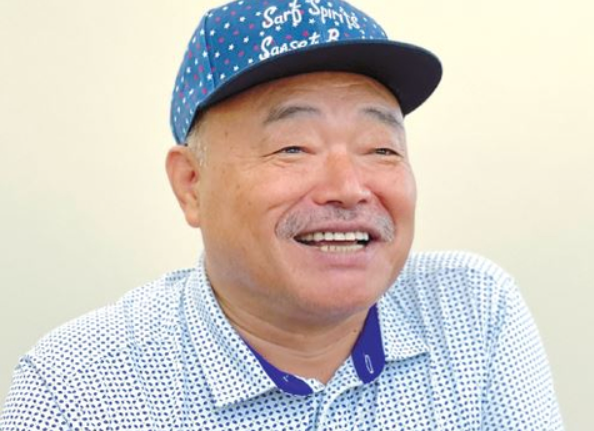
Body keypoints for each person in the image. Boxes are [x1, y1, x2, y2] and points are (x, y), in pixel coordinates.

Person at [1, 0, 563, 429]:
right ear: (192, 185)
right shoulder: (76, 393)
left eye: (381, 148)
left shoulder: (473, 312)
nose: (349, 188)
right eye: (293, 147)